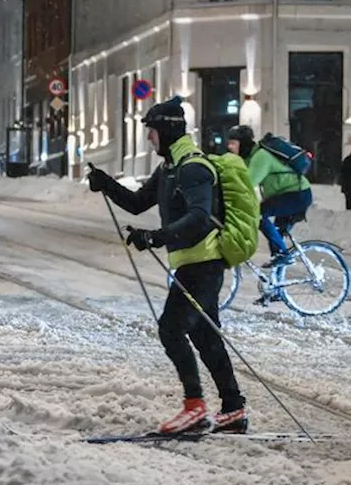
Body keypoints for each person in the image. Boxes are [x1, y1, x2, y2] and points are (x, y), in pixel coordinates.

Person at [89, 97, 248, 435]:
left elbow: (200, 218)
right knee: (205, 336)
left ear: (167, 130)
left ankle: (195, 407)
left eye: (152, 131)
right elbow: (136, 203)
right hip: (192, 264)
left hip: (204, 264)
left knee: (171, 328)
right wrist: (106, 183)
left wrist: (157, 237)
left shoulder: (192, 168)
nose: (149, 138)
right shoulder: (169, 168)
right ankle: (233, 409)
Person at [226, 125, 312, 265]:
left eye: (233, 143)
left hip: (297, 195)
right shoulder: (249, 157)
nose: (230, 147)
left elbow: (247, 183)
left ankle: (282, 254)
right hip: (289, 195)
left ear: (244, 144)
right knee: (277, 234)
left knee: (258, 214)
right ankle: (277, 278)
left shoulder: (261, 157)